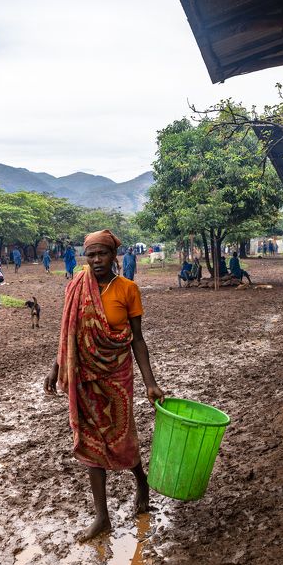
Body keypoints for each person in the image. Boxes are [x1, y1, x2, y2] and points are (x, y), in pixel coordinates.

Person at [44, 229, 165, 542]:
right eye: (91, 255)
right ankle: (102, 516)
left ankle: (141, 482)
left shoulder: (127, 289)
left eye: (102, 254)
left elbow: (137, 340)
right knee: (90, 441)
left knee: (122, 436)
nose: (96, 260)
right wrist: (56, 368)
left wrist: (150, 383)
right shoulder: (75, 287)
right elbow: (67, 332)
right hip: (83, 374)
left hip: (116, 374)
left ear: (114, 256)